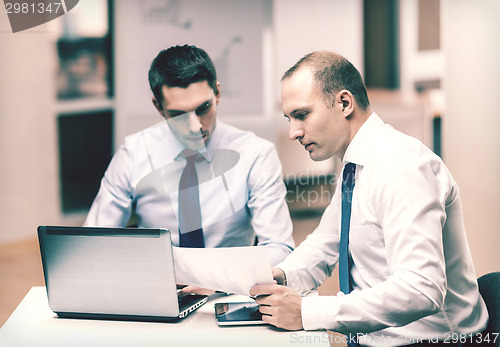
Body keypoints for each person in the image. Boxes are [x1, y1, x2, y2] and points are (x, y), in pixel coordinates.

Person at [250, 51, 489, 346]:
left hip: (434, 340)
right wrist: (280, 276)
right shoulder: (356, 164)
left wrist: (306, 311)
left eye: (302, 115)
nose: (293, 132)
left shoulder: (401, 167)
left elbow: (421, 289)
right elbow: (325, 243)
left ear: (345, 103)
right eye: (289, 118)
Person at [84, 45, 294, 267]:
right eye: (178, 115)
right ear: (159, 107)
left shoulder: (256, 155)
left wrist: (220, 276)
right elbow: (92, 243)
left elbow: (280, 248)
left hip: (230, 289)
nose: (195, 127)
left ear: (218, 94)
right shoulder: (134, 153)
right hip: (159, 285)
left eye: (203, 108)